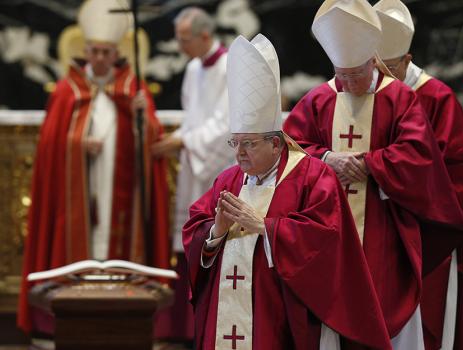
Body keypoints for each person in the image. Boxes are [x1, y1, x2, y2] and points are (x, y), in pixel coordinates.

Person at [283, 0, 463, 349]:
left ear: (373, 61)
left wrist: (371, 164)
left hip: (386, 231)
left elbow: (419, 155)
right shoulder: (318, 100)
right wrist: (326, 158)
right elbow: (292, 150)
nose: (349, 82)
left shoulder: (400, 98)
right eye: (343, 74)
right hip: (331, 232)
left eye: (356, 73)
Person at [183, 33, 391, 350]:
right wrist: (215, 232)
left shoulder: (313, 177)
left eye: (249, 143)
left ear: (276, 143)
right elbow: (195, 229)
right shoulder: (227, 180)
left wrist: (266, 229)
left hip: (281, 321)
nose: (239, 153)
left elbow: (328, 242)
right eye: (234, 142)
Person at [17, 0, 169, 333]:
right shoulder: (66, 90)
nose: (100, 58)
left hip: (122, 195)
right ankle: (71, 320)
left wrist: (143, 120)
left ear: (116, 53)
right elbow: (50, 146)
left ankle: (126, 319)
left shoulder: (135, 89)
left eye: (106, 51)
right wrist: (76, 146)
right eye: (95, 51)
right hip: (79, 195)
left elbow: (154, 145)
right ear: (85, 50)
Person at [372, 1, 463, 349]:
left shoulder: (437, 98)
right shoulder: (361, 98)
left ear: (407, 60)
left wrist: (385, 178)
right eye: (373, 66)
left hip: (427, 240)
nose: (379, 76)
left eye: (387, 67)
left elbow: (453, 177)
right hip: (374, 234)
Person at [151, 7, 233, 342]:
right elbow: (192, 119)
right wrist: (180, 138)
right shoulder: (193, 68)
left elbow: (225, 124)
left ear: (204, 35)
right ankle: (186, 329)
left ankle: (208, 326)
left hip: (218, 169)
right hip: (193, 167)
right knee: (189, 245)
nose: (180, 46)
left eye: (185, 40)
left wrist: (184, 140)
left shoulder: (230, 67)